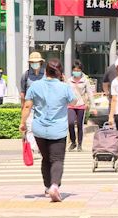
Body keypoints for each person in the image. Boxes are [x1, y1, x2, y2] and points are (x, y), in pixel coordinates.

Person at [19, 58, 77, 202]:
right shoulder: (64, 87)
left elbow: (27, 106)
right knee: (57, 159)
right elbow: (74, 101)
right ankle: (54, 186)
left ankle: (47, 187)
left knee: (46, 159)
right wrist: (63, 83)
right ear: (60, 73)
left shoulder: (35, 86)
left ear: (45, 71)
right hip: (58, 130)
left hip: (39, 130)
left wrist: (22, 123)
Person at [67, 60, 97, 152]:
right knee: (70, 123)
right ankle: (73, 142)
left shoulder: (85, 80)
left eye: (78, 70)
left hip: (81, 105)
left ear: (81, 70)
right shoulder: (69, 80)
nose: (76, 72)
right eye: (75, 70)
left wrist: (93, 106)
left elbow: (90, 93)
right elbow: (65, 93)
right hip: (71, 105)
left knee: (80, 125)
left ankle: (79, 144)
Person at [20, 52, 46, 154]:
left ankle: (41, 148)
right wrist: (22, 107)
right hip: (29, 106)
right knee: (30, 127)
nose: (34, 64)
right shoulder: (26, 75)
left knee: (41, 128)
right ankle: (32, 149)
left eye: (36, 62)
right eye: (32, 62)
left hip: (43, 107)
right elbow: (23, 92)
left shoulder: (45, 75)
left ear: (40, 63)